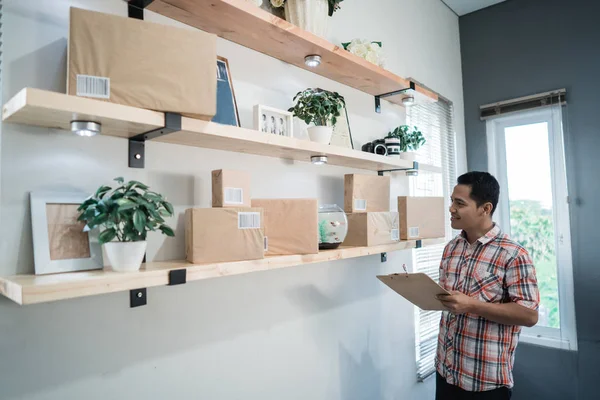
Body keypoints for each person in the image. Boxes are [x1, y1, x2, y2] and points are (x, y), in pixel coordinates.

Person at [435, 171, 540, 400]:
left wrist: (472, 305)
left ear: (485, 208)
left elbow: (529, 316)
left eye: (459, 203)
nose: (451, 208)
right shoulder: (451, 248)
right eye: (452, 201)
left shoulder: (513, 254)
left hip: (485, 385)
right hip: (445, 374)